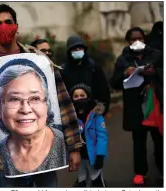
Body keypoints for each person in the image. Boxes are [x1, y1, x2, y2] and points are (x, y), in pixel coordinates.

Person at [0, 4, 83, 187]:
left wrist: (74, 146)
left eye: (8, 22)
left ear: (16, 26)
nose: (3, 27)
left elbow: (63, 102)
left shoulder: (40, 59)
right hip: (3, 159)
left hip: (47, 155)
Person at [0, 59, 66, 176]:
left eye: (35, 98)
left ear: (47, 105)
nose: (26, 110)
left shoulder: (65, 144)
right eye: (14, 99)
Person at [110, 27, 163, 186]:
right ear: (128, 41)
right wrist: (125, 73)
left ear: (144, 39)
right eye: (133, 39)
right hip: (135, 105)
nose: (137, 41)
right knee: (139, 140)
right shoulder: (123, 59)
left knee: (159, 139)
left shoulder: (156, 54)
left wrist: (154, 72)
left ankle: (162, 169)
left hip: (154, 103)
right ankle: (140, 172)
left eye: (140, 38)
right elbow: (114, 83)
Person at [61, 35, 110, 116]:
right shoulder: (63, 71)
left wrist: (102, 109)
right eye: (74, 49)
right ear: (69, 51)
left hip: (93, 112)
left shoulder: (94, 67)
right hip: (72, 114)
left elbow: (104, 91)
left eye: (80, 48)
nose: (77, 51)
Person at [70, 83, 108, 187]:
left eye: (82, 95)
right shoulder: (71, 116)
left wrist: (100, 155)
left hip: (93, 155)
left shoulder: (96, 115)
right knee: (81, 180)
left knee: (96, 180)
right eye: (76, 96)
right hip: (79, 156)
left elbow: (102, 137)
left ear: (88, 96)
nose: (79, 98)